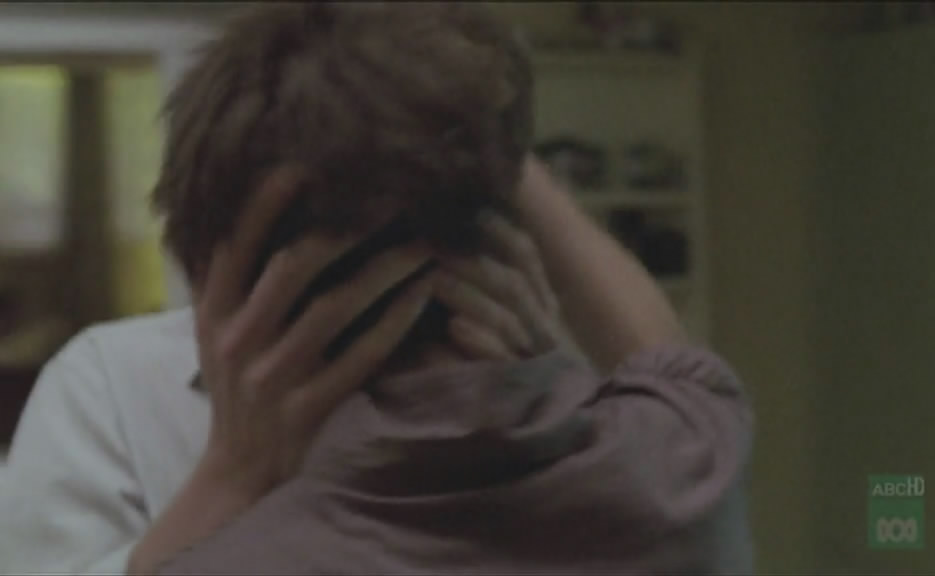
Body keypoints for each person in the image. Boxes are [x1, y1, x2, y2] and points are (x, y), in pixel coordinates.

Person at [0, 3, 753, 574]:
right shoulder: (674, 473)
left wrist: (230, 481)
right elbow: (673, 367)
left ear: (206, 262)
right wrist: (471, 141)